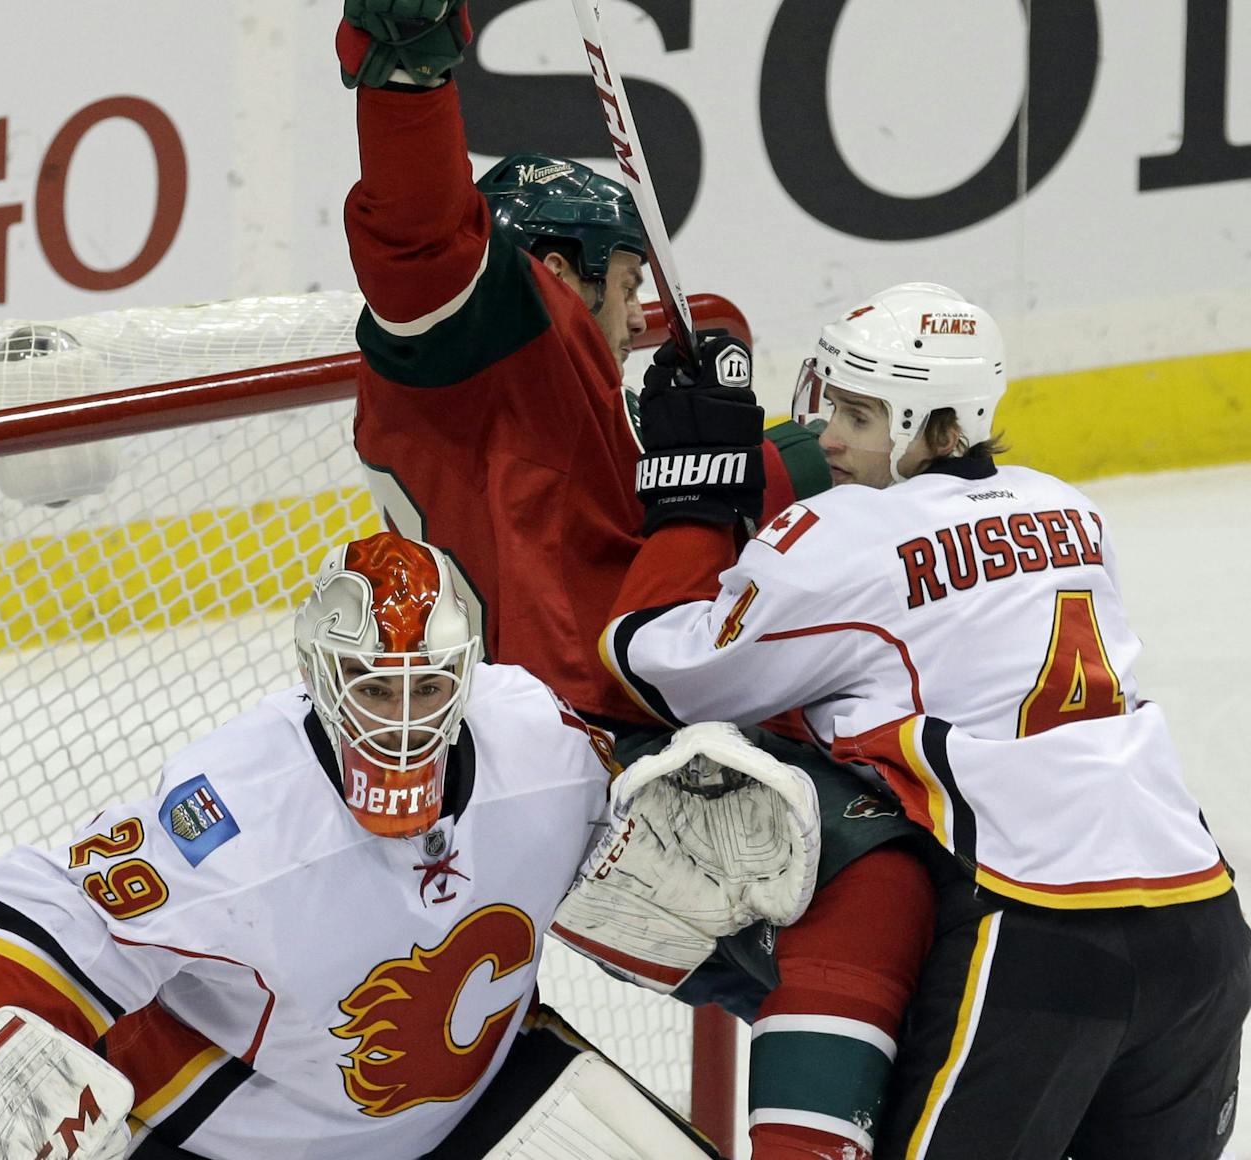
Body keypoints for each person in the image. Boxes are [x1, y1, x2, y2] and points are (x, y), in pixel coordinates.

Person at [336, 3, 937, 1157]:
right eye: (621, 283)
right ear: (556, 266)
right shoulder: (498, 340)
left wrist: (826, 447)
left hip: (613, 776)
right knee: (901, 887)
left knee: (890, 1027)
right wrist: (407, 83)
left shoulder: (558, 412)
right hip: (609, 760)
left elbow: (639, 513)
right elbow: (417, 246)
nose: (635, 312)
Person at [602, 281, 1251, 1159]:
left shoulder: (850, 535)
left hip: (1042, 937)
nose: (829, 436)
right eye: (834, 406)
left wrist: (689, 498)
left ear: (935, 425)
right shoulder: (1073, 511)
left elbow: (656, 667)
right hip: (1204, 933)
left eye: (861, 417)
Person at [0, 531, 734, 1160]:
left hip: (484, 1097)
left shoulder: (541, 747)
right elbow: (14, 935)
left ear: (467, 675)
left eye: (430, 687)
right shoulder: (234, 809)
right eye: (374, 687)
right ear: (319, 676)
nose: (404, 720)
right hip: (246, 1139)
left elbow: (636, 892)